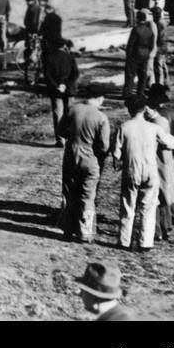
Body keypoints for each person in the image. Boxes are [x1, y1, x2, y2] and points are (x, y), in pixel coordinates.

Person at [112, 93, 174, 252]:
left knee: (128, 205)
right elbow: (172, 143)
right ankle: (145, 242)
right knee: (148, 208)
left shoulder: (124, 127)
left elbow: (116, 154)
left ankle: (124, 240)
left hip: (131, 169)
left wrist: (119, 160)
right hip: (150, 171)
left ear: (129, 109)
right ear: (144, 109)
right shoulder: (154, 128)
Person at [57, 92, 111, 242]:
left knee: (69, 194)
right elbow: (104, 146)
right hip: (90, 160)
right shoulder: (101, 117)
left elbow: (61, 131)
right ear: (100, 98)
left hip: (70, 158)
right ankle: (85, 233)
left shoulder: (72, 109)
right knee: (87, 197)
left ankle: (67, 230)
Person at [147, 85, 174, 242]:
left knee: (160, 192)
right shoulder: (172, 113)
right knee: (169, 189)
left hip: (160, 157)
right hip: (172, 155)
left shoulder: (157, 118)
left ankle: (163, 226)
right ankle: (173, 220)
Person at [124, 9, 156, 98]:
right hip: (145, 55)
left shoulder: (136, 29)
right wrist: (148, 53)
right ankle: (140, 92)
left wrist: (128, 55)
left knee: (130, 75)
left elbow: (130, 44)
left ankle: (127, 93)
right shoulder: (149, 30)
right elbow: (151, 44)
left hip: (135, 55)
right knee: (142, 75)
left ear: (137, 19)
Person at [21, 0, 42, 85]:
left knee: (31, 54)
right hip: (34, 33)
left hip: (31, 33)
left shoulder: (32, 8)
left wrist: (32, 32)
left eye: (27, 1)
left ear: (31, 0)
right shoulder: (36, 7)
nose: (27, 3)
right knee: (34, 53)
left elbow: (33, 22)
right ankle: (34, 76)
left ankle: (31, 77)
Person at [149, 7, 170, 87]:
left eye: (153, 14)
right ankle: (166, 81)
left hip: (159, 46)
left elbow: (158, 36)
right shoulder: (163, 21)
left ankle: (159, 84)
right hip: (164, 45)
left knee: (158, 66)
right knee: (163, 64)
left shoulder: (158, 23)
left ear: (156, 14)